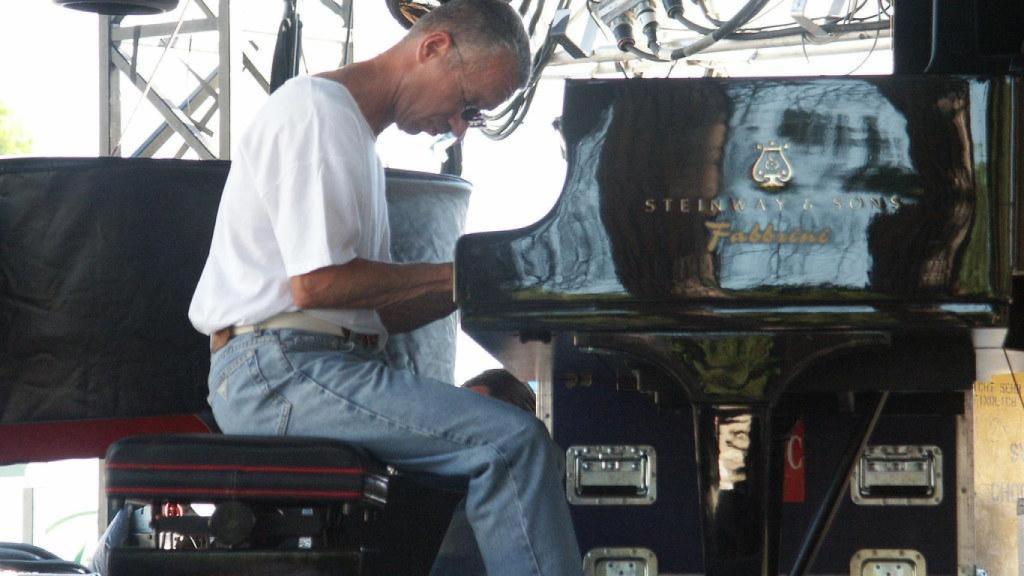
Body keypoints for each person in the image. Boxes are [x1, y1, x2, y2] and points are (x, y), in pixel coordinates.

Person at [187, 1, 582, 574]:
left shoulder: (353, 138)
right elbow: (318, 285)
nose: (458, 127)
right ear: (434, 47)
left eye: (474, 118)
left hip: (308, 362)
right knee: (510, 445)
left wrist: (485, 287)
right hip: (277, 370)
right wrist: (463, 274)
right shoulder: (317, 113)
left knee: (490, 450)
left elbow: (378, 313)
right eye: (467, 104)